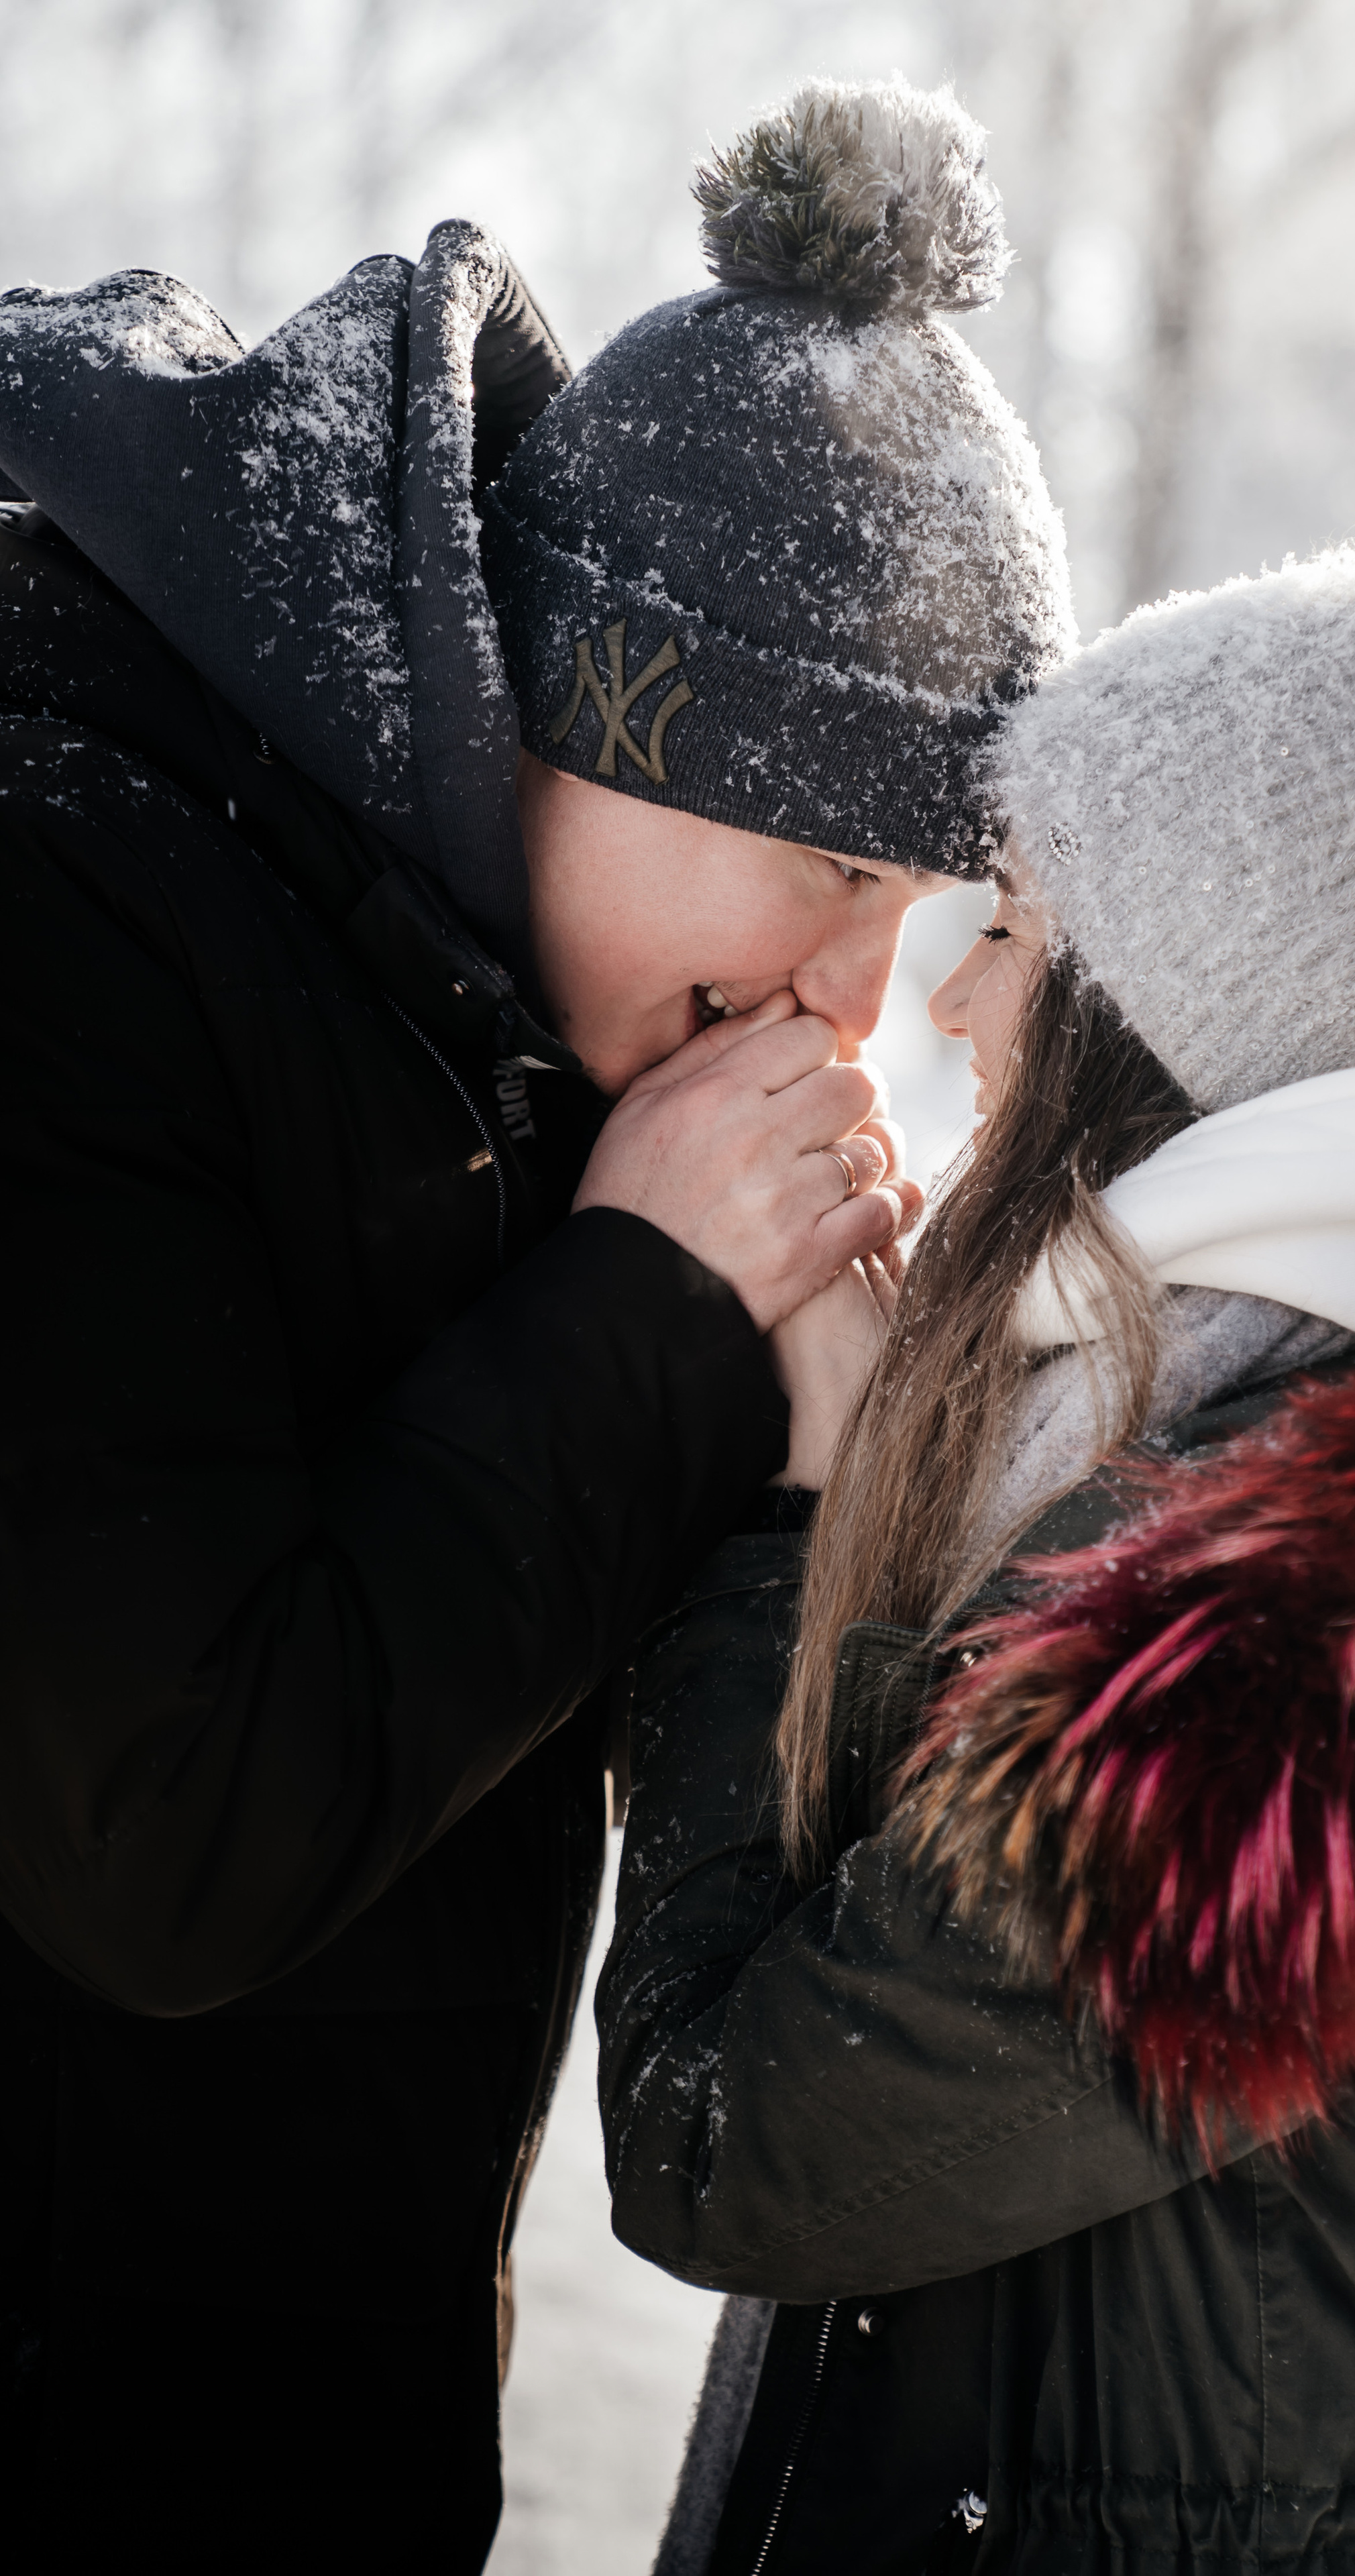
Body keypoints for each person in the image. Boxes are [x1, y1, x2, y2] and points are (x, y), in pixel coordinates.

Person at [0, 78, 1073, 2573]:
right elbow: (164, 1835)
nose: (841, 982)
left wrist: (814, 1440)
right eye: (821, 861)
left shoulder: (458, 985)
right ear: (580, 700)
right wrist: (648, 1302)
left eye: (905, 902)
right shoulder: (67, 907)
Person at [598, 545, 1355, 2576]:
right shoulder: (1297, 1443)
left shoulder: (1354, 1619)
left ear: (1214, 1007)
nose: (946, 994)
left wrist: (781, 1523)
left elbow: (736, 2145)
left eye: (1015, 923)